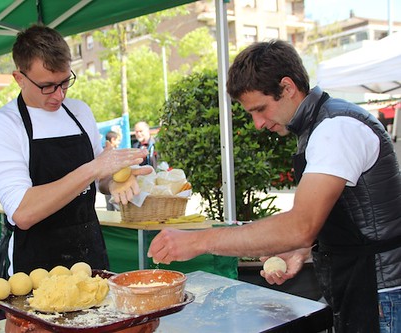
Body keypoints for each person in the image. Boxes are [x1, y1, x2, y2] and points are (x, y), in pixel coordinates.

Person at [147, 40, 401, 333]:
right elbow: (346, 218)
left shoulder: (335, 128)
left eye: (260, 109)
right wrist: (301, 251)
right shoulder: (320, 124)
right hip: (363, 286)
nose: (257, 123)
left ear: (288, 87)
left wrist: (198, 241)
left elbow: (299, 226)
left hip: (383, 294)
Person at [0, 25, 150, 277]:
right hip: (36, 272)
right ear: (19, 78)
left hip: (90, 258)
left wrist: (113, 183)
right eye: (47, 86)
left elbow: (99, 178)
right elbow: (23, 212)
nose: (59, 95)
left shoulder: (80, 112)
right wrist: (92, 168)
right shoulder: (2, 126)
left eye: (65, 82)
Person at [104, 130, 121, 211]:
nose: (119, 143)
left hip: (106, 182)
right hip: (112, 181)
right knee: (115, 204)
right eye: (118, 140)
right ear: (113, 139)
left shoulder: (102, 152)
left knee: (110, 205)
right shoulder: (110, 152)